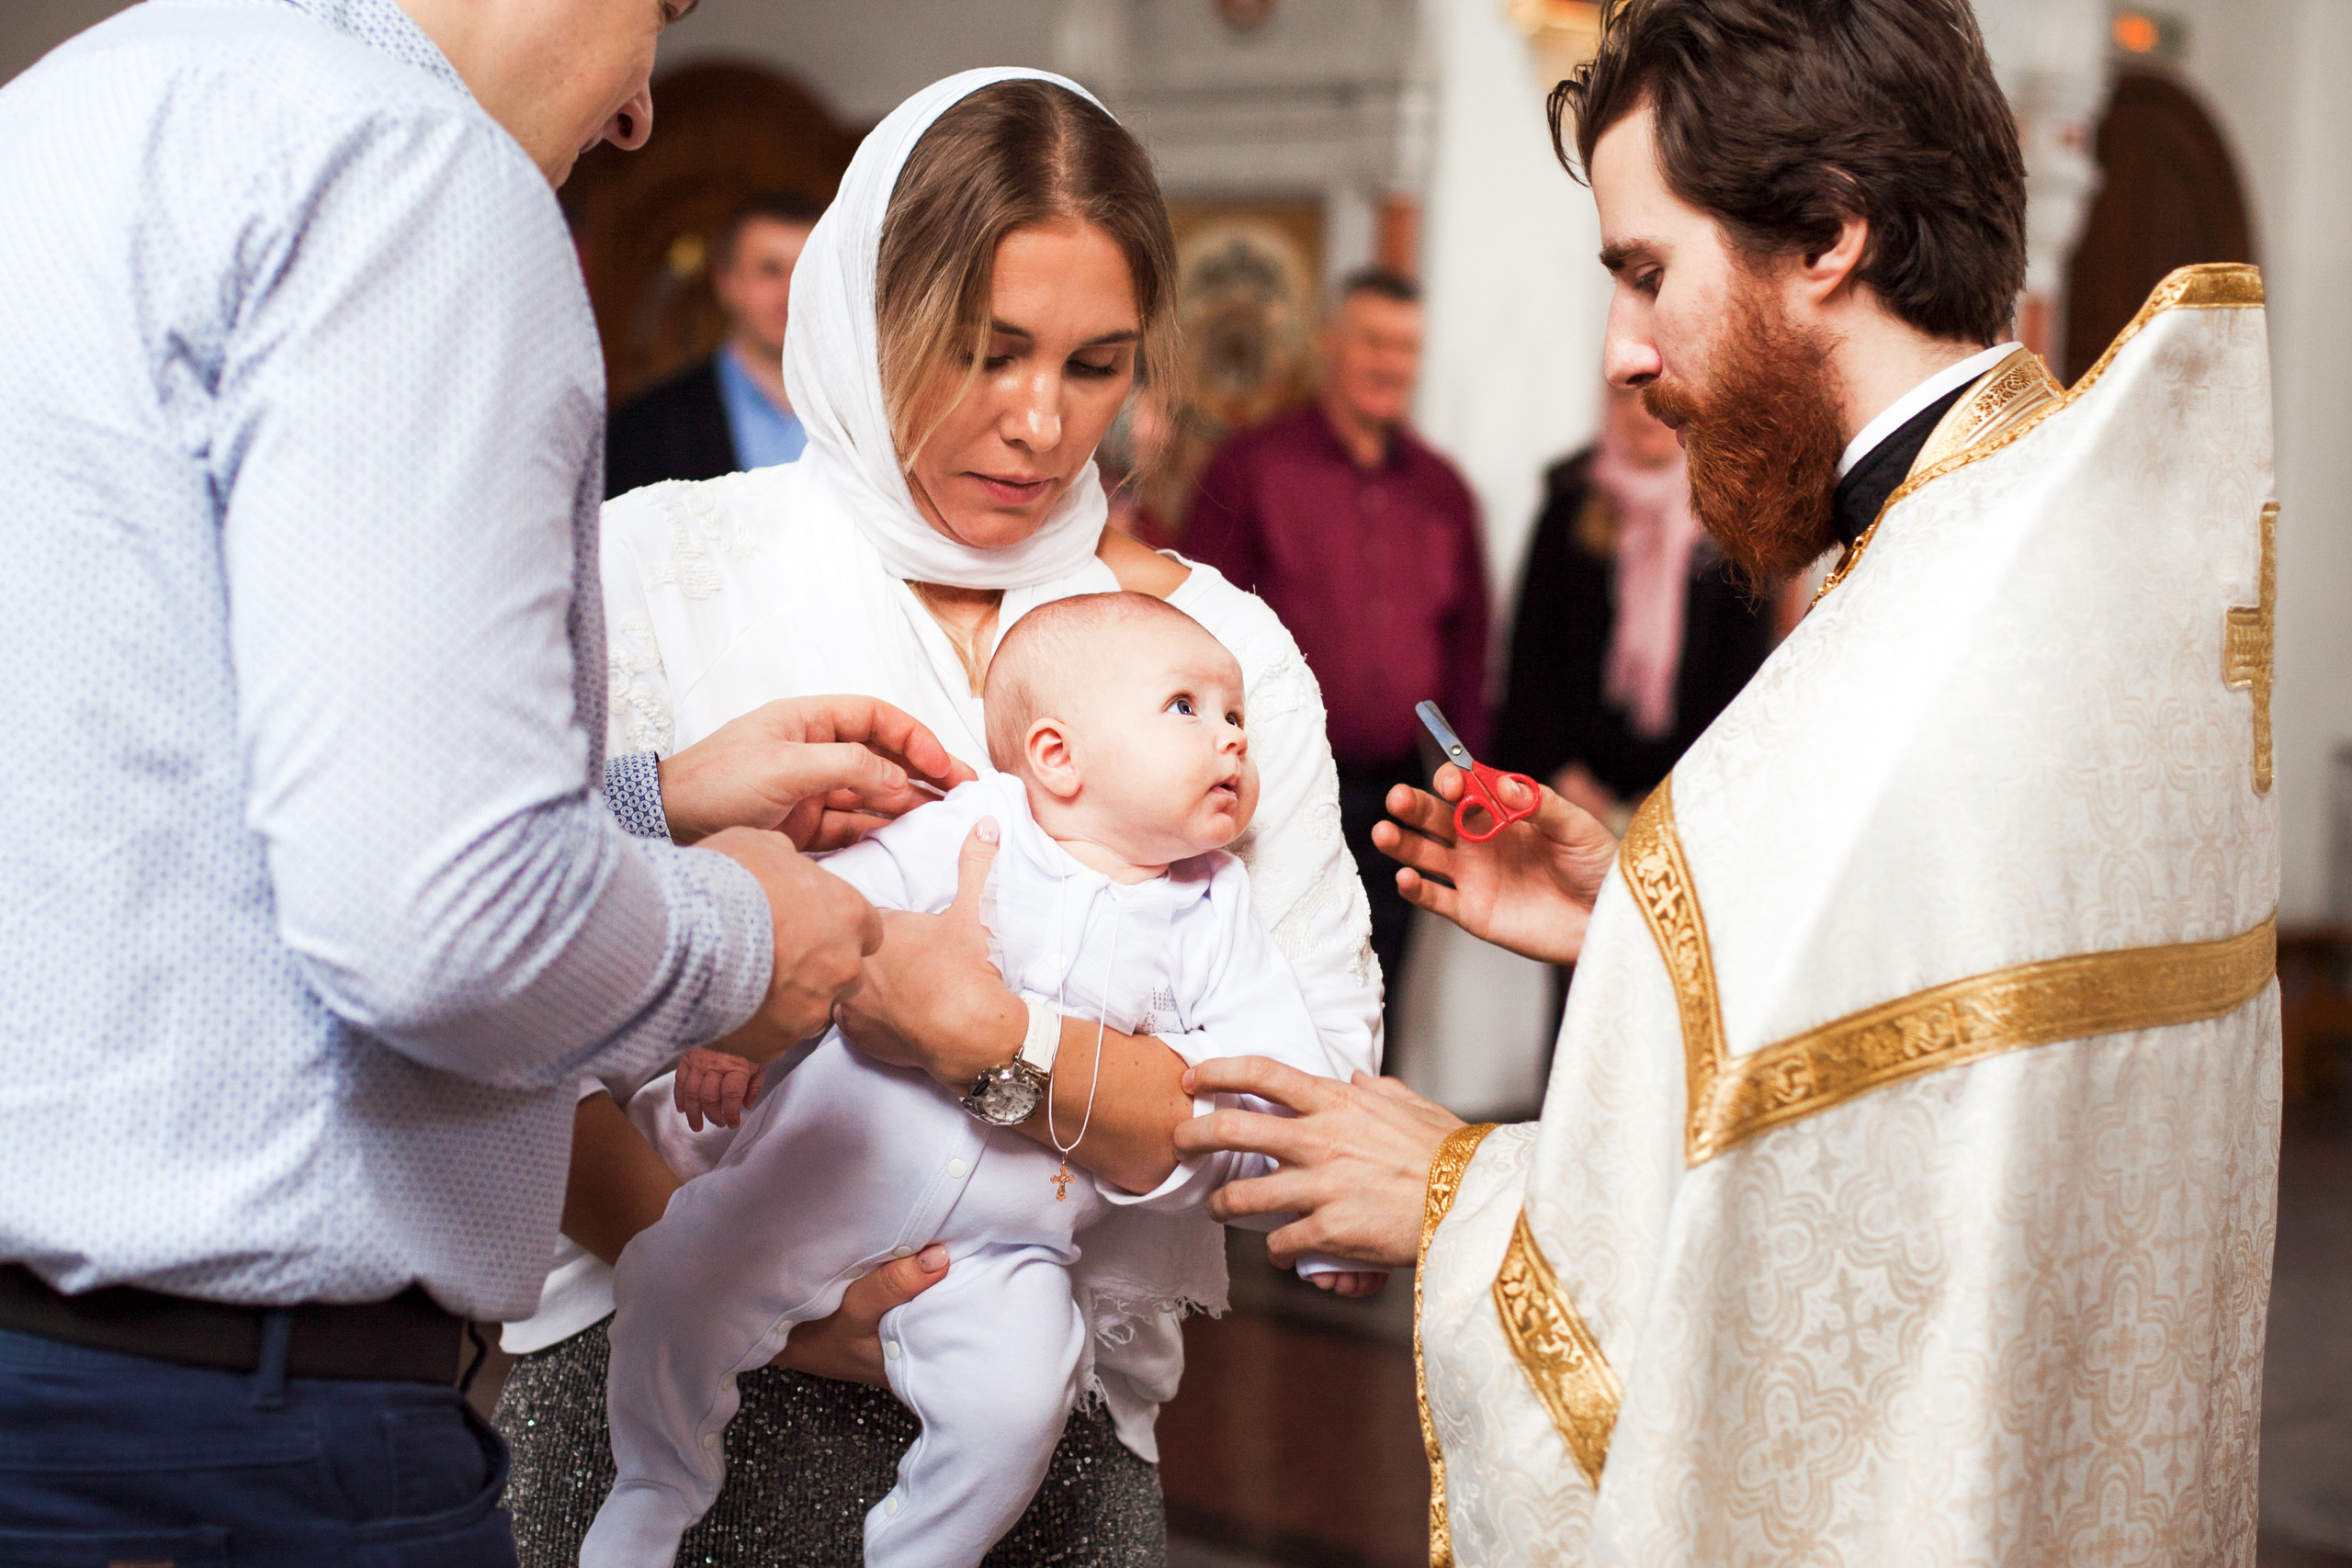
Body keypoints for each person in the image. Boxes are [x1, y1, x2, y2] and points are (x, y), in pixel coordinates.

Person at [1171, 1, 2280, 1562]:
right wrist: (1645, 903)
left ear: (1826, 235)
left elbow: (1809, 1297)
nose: (1627, 353)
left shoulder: (1895, 663)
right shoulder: (2071, 580)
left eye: (1647, 273)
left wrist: (1451, 1185)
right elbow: (1948, 1107)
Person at [0, 0, 959, 1562]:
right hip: (227, 1437)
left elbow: (178, 773)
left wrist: (647, 799)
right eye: (660, 13)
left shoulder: (70, 110)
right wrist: (745, 939)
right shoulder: (413, 169)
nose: (643, 108)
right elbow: (435, 917)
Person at [494, 70, 1381, 1568]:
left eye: (1096, 365)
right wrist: (710, 1258)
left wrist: (1003, 1052)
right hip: (664, 1352)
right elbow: (504, 999)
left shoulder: (1217, 658)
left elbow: (1307, 1101)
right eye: (984, 354)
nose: (1040, 422)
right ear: (862, 313)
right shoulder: (655, 565)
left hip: (1048, 1404)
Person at [589, 593, 1373, 1568]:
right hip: (817, 1177)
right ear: (1056, 757)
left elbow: (1281, 1080)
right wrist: (734, 1021)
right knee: (672, 1280)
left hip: (1010, 1244)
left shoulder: (1216, 907)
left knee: (1019, 1400)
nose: (1229, 741)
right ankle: (655, 1487)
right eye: (1186, 708)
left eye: (1236, 719)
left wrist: (1321, 1221)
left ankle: (920, 1553)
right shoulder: (979, 830)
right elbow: (824, 915)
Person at [1185, 266, 1489, 1025]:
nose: (1391, 362)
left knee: (1377, 999)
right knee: (1273, 995)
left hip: (1401, 791)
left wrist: (1470, 780)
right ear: (1328, 345)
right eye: (1373, 341)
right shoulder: (1251, 468)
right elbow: (1192, 630)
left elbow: (1470, 650)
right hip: (1273, 787)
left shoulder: (1443, 490)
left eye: (1407, 347)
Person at [1494, 380, 1774, 836]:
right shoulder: (1568, 508)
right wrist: (1564, 778)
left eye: (1662, 399)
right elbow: (1529, 662)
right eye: (1627, 396)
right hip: (1568, 800)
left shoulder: (1734, 518)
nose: (1644, 413)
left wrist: (1678, 792)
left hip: (1687, 810)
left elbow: (1746, 682)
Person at [606, 191, 826, 497]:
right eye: (770, 270)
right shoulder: (645, 427)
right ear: (726, 283)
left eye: (807, 270)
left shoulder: (879, 414)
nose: (792, 291)